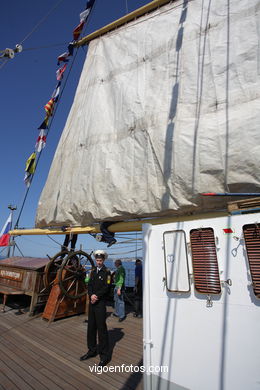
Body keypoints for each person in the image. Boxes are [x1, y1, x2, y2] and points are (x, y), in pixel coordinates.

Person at [80, 250, 111, 367]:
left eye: (100, 260)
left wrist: (96, 296)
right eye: (97, 260)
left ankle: (104, 356)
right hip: (92, 303)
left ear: (103, 260)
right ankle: (92, 350)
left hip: (100, 304)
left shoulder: (107, 272)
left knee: (101, 329)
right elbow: (89, 285)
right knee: (91, 328)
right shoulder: (92, 271)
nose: (98, 262)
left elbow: (107, 287)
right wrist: (91, 295)